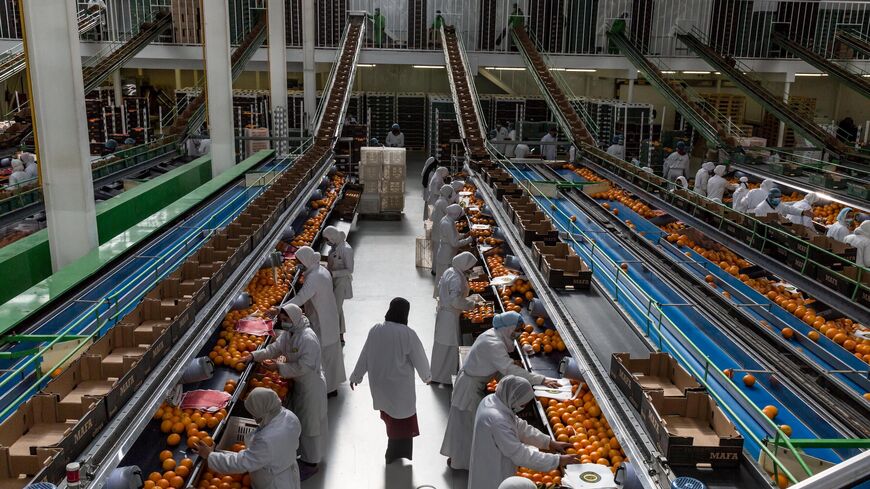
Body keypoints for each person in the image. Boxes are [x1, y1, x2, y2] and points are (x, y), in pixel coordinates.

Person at [441, 312, 560, 470]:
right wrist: (541, 380)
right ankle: (465, 464)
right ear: (509, 328)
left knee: (464, 423)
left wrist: (508, 385)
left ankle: (457, 459)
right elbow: (508, 369)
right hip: (470, 388)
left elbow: (498, 369)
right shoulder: (494, 344)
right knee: (469, 427)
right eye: (516, 330)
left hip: (473, 383)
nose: (517, 334)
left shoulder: (493, 335)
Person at [242, 305, 327, 481]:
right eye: (282, 320)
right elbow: (273, 350)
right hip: (299, 384)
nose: (284, 323)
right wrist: (253, 356)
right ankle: (306, 456)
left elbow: (305, 366)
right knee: (304, 421)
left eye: (286, 320)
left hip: (311, 386)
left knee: (311, 425)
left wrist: (278, 367)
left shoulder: (307, 338)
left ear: (295, 319)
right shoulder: (290, 334)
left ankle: (312, 463)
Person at [350, 298, 432, 463]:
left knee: (391, 419)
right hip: (399, 388)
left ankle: (394, 451)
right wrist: (427, 377)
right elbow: (420, 358)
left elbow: (365, 354)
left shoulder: (376, 330)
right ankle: (395, 453)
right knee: (401, 422)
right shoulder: (408, 334)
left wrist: (356, 376)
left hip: (380, 385)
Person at [467, 376, 575, 489]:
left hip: (490, 459)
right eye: (522, 404)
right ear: (513, 397)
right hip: (493, 469)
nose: (523, 407)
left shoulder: (494, 400)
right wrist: (557, 460)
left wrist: (549, 442)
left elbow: (519, 425)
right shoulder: (497, 420)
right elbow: (520, 455)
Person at [195, 388, 302, 489]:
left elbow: (242, 462)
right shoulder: (290, 416)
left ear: (263, 413)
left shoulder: (267, 440)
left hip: (273, 482)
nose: (254, 419)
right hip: (286, 469)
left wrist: (210, 456)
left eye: (255, 415)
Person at [290, 246, 346, 395]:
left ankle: (327, 390)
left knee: (324, 356)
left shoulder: (314, 277)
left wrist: (281, 309)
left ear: (305, 260)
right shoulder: (320, 270)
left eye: (298, 261)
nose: (297, 265)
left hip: (322, 321)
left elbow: (302, 297)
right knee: (331, 356)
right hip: (327, 316)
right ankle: (331, 387)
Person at [432, 252, 477, 385]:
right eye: (469, 266)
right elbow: (455, 301)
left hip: (446, 313)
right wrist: (471, 304)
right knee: (449, 347)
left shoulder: (450, 271)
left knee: (442, 346)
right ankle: (445, 378)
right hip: (449, 316)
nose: (470, 269)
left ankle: (437, 374)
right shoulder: (456, 278)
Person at [323, 226, 354, 345]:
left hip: (342, 282)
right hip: (334, 281)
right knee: (337, 308)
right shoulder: (335, 246)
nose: (327, 241)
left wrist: (333, 273)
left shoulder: (346, 249)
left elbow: (350, 269)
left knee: (335, 308)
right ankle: (339, 334)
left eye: (327, 238)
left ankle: (337, 335)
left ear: (332, 236)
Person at [434, 204, 473, 288]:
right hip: (446, 255)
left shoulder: (447, 219)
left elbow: (452, 236)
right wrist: (469, 239)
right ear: (455, 214)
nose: (459, 217)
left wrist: (464, 235)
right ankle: (442, 298)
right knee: (445, 279)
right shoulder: (448, 224)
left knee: (444, 278)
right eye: (458, 215)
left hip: (446, 252)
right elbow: (454, 243)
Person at [430, 184, 455, 260]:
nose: (451, 195)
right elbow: (450, 213)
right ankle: (435, 271)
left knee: (436, 250)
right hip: (439, 230)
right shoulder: (443, 202)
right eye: (450, 194)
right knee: (437, 251)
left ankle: (435, 270)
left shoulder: (440, 200)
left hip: (437, 228)